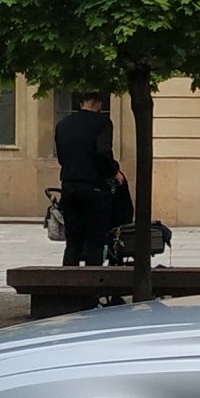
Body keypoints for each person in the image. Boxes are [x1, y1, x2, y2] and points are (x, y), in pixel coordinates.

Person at [52, 90, 119, 269]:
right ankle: (93, 291)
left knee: (73, 242)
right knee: (95, 242)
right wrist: (115, 171)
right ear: (99, 104)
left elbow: (61, 157)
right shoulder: (102, 123)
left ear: (80, 103)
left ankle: (69, 289)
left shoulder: (63, 124)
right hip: (94, 187)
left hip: (70, 186)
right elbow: (103, 152)